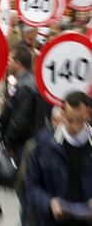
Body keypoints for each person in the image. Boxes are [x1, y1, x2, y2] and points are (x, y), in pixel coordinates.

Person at [26, 91, 92, 226]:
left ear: (88, 114)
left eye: (80, 121)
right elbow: (31, 184)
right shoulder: (44, 143)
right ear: (62, 114)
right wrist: (49, 202)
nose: (75, 127)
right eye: (70, 120)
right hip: (54, 220)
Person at [0, 45, 38, 165]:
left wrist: (8, 142)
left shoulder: (24, 86)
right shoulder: (25, 82)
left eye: (10, 60)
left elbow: (20, 119)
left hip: (19, 143)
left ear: (18, 63)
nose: (8, 64)